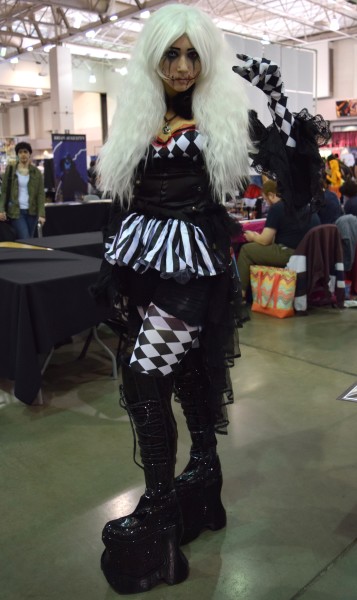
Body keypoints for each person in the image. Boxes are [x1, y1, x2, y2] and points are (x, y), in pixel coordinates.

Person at [93, 5, 330, 594]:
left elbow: (299, 193)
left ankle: (161, 516)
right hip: (143, 266)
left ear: (208, 60)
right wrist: (116, 274)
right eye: (171, 53)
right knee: (187, 374)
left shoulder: (221, 117)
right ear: (153, 56)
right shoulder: (140, 117)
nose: (181, 66)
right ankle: (202, 477)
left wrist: (276, 102)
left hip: (193, 270)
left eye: (193, 54)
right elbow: (125, 199)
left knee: (143, 377)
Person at [237, 179, 321, 301]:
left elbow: (265, 240)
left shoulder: (277, 208)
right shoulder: (305, 205)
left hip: (290, 253)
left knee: (246, 250)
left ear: (272, 195)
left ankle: (240, 295)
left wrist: (253, 236)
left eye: (266, 199)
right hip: (309, 254)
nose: (266, 202)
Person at [0, 141, 46, 238]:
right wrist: (1, 210)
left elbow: (41, 194)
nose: (23, 154)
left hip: (32, 212)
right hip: (16, 212)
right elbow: (4, 192)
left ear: (29, 154)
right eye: (20, 152)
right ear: (17, 154)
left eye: (25, 152)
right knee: (25, 238)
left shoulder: (36, 172)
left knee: (30, 240)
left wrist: (42, 214)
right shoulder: (10, 170)